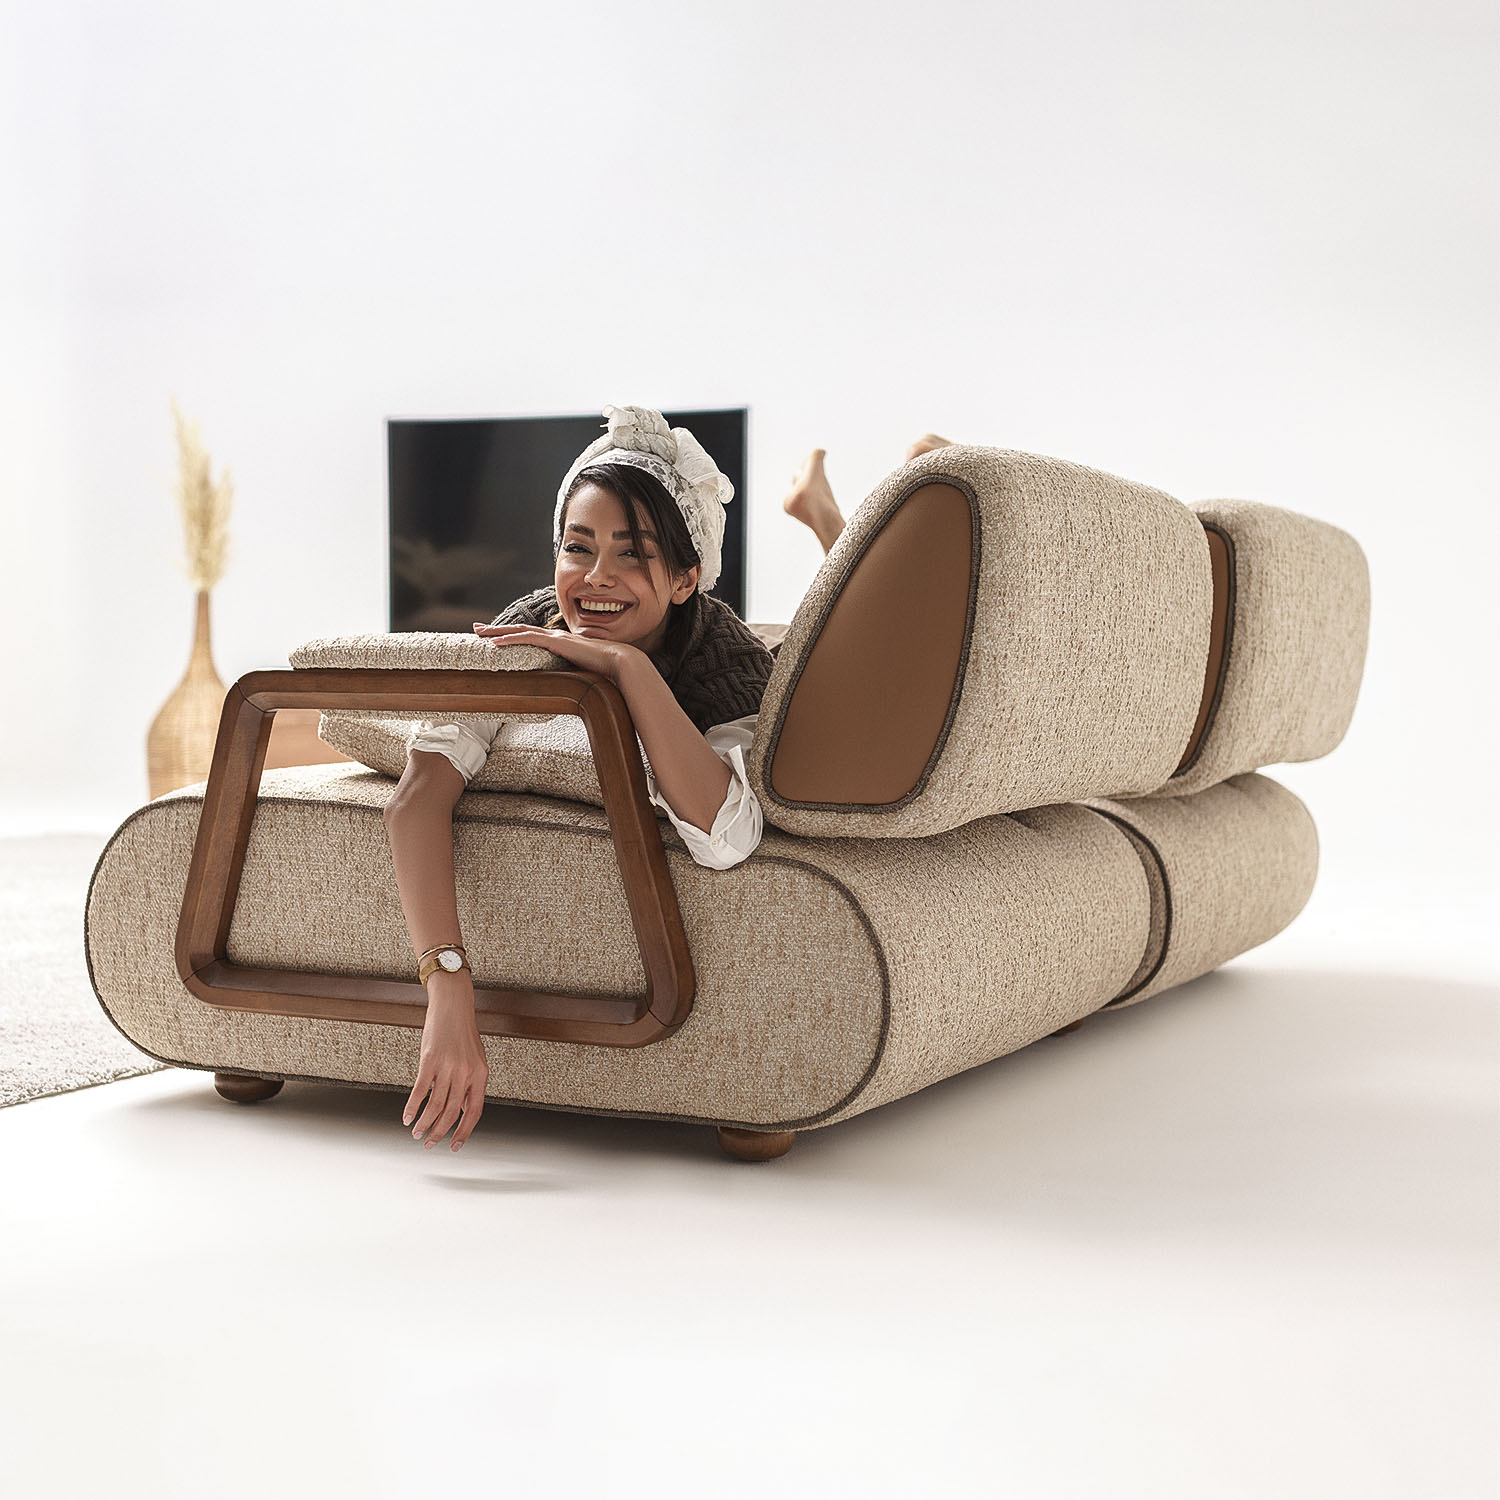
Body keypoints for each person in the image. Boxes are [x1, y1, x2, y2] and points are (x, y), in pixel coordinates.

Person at [385, 406, 956, 1153]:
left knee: (870, 666)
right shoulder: (525, 633)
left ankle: (862, 512)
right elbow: (414, 802)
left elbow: (726, 838)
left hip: (798, 692)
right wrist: (448, 986)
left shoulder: (726, 664)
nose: (595, 578)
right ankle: (836, 513)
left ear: (687, 578)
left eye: (632, 555)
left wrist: (627, 668)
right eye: (577, 547)